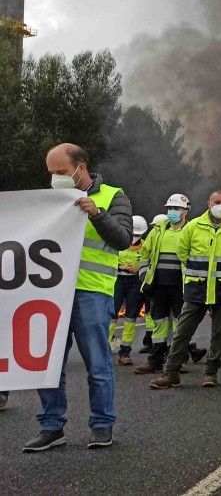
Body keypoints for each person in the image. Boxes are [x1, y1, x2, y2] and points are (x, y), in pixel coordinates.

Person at [25, 143, 132, 452]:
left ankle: (101, 425)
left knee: (98, 364)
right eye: (51, 173)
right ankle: (51, 427)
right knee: (47, 364)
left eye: (60, 172)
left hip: (91, 292)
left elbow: (123, 239)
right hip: (50, 293)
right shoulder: (48, 200)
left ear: (80, 168)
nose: (55, 178)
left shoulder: (113, 196)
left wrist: (96, 214)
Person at [147, 191, 221, 389]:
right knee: (182, 332)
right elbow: (183, 252)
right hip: (196, 289)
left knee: (219, 334)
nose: (220, 205)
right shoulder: (193, 227)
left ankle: (211, 373)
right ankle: (170, 372)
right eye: (217, 201)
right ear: (208, 203)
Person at [134, 194, 204, 375]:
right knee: (159, 322)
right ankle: (155, 361)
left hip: (181, 285)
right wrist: (143, 274)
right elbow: (144, 254)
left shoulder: (191, 231)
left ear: (185, 211)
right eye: (170, 209)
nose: (172, 212)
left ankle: (177, 361)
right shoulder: (158, 231)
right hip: (158, 285)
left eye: (177, 209)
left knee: (180, 323)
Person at [113, 215, 148, 366]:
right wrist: (119, 266)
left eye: (138, 235)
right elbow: (107, 259)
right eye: (133, 234)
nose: (134, 238)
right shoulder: (116, 243)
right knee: (111, 313)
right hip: (118, 280)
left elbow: (150, 262)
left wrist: (139, 268)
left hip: (135, 282)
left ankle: (125, 352)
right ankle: (108, 344)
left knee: (131, 317)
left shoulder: (146, 246)